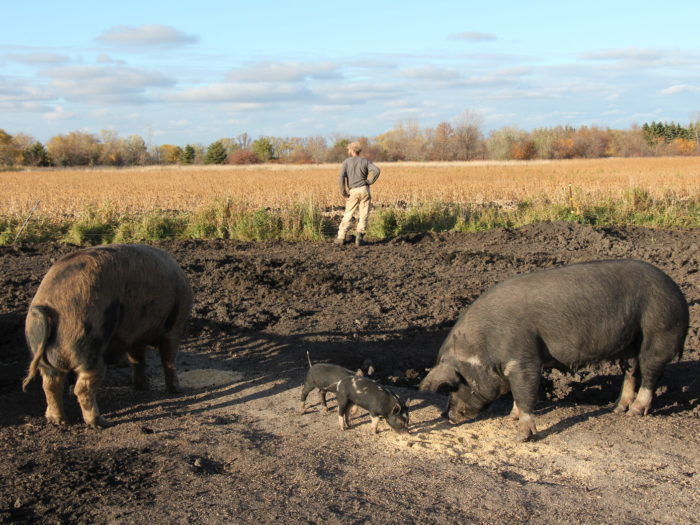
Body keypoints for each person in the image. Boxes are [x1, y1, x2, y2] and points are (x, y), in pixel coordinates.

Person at [335, 141, 380, 246]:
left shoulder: (346, 162)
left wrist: (343, 192)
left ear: (352, 150)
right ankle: (359, 238)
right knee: (364, 214)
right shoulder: (365, 161)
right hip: (364, 190)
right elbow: (376, 170)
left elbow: (341, 177)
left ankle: (341, 237)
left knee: (349, 213)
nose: (348, 151)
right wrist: (369, 181)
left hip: (353, 191)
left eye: (348, 149)